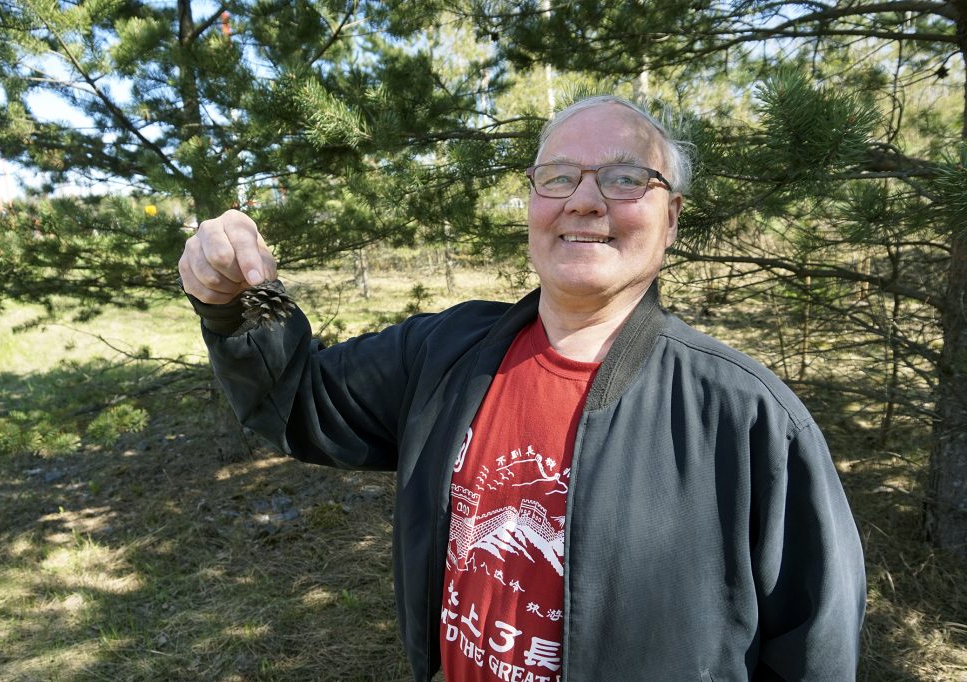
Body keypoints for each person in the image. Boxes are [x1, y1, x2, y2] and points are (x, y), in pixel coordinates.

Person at [178, 95, 866, 681]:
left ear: (673, 218)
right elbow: (298, 405)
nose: (587, 201)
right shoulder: (447, 354)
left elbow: (817, 652)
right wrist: (235, 301)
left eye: (626, 178)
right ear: (535, 204)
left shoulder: (748, 419)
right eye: (559, 177)